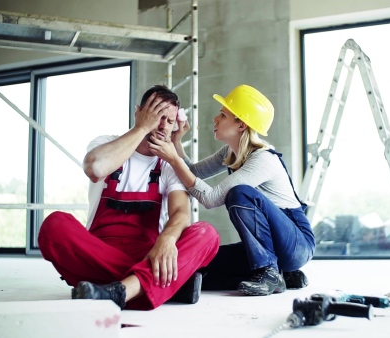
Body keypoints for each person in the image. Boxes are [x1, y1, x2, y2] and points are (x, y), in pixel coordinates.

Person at [38, 85, 220, 310]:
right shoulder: (106, 143)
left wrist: (168, 238)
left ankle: (115, 290)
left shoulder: (170, 164)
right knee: (54, 225)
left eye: (170, 121)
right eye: (157, 116)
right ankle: (159, 285)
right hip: (97, 252)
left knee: (207, 234)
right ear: (139, 113)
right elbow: (95, 168)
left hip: (147, 254)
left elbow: (181, 213)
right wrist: (142, 128)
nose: (163, 126)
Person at [148, 84, 315, 296]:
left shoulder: (263, 158)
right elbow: (192, 172)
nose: (215, 119)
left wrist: (172, 157)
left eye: (223, 115)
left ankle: (269, 272)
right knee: (205, 262)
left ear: (241, 125)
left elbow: (209, 198)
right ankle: (282, 273)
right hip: (272, 245)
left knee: (240, 193)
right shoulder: (231, 152)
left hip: (296, 244)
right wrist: (176, 142)